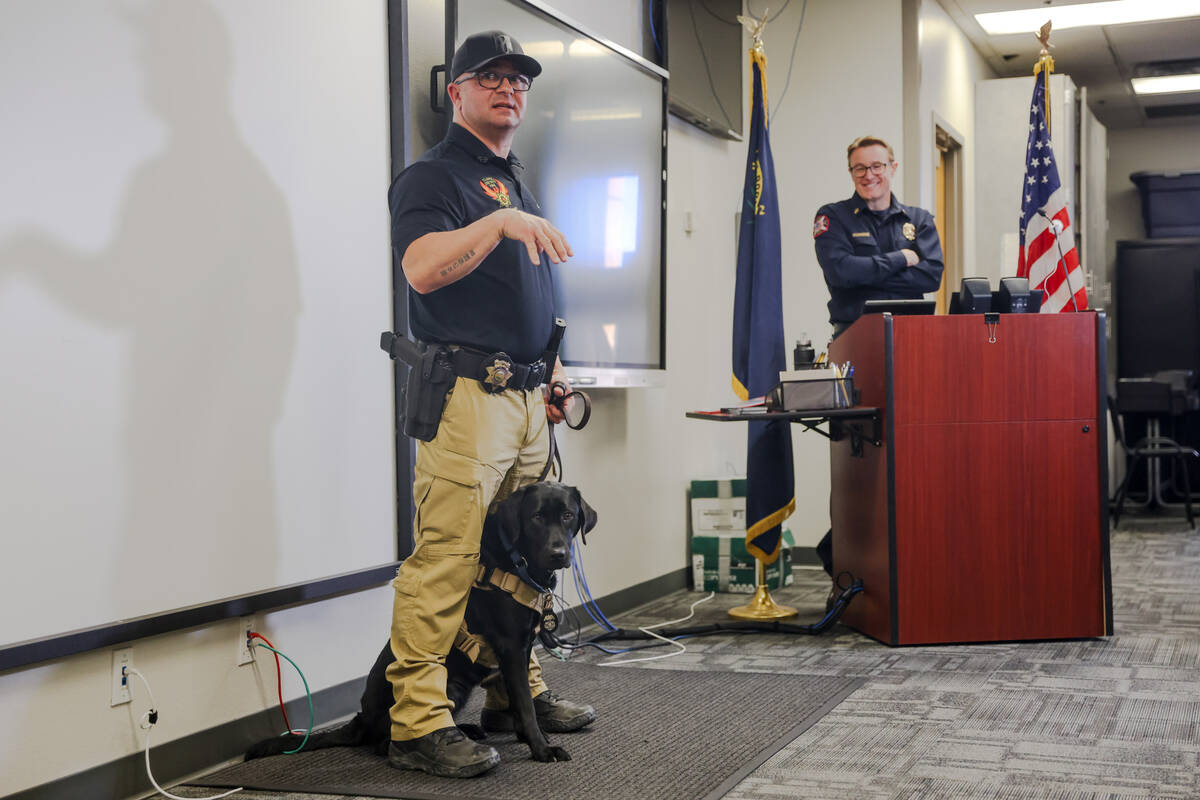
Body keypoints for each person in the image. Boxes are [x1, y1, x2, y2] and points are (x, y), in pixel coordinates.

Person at [383, 30, 594, 778]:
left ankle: (514, 695)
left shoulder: (514, 178)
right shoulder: (434, 178)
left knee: (518, 566)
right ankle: (415, 724)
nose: (509, 89)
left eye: (519, 80)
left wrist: (556, 374)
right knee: (445, 561)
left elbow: (525, 297)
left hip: (530, 398)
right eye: (491, 77)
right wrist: (500, 222)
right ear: (457, 92)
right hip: (470, 398)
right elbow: (423, 271)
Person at [811, 135, 944, 578]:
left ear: (893, 167)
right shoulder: (833, 218)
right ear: (851, 173)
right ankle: (846, 562)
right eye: (860, 169)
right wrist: (900, 260)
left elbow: (931, 275)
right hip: (855, 350)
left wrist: (884, 267)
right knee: (857, 457)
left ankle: (912, 556)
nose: (870, 175)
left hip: (912, 349)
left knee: (915, 452)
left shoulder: (919, 220)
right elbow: (841, 273)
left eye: (877, 166)